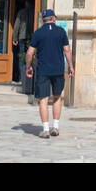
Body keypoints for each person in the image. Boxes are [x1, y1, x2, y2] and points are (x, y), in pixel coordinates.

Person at [25, 9, 73, 139]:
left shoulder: (38, 33)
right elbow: (67, 51)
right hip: (58, 70)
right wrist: (71, 66)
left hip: (43, 71)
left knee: (43, 99)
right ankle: (55, 127)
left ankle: (45, 129)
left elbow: (29, 53)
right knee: (57, 97)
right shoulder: (61, 32)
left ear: (44, 20)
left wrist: (28, 67)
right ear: (53, 19)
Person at [11, 2, 31, 83]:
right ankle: (29, 78)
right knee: (31, 57)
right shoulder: (34, 11)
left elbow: (17, 25)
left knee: (21, 57)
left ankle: (21, 78)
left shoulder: (21, 12)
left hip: (22, 37)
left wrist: (14, 38)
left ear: (26, 3)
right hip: (31, 36)